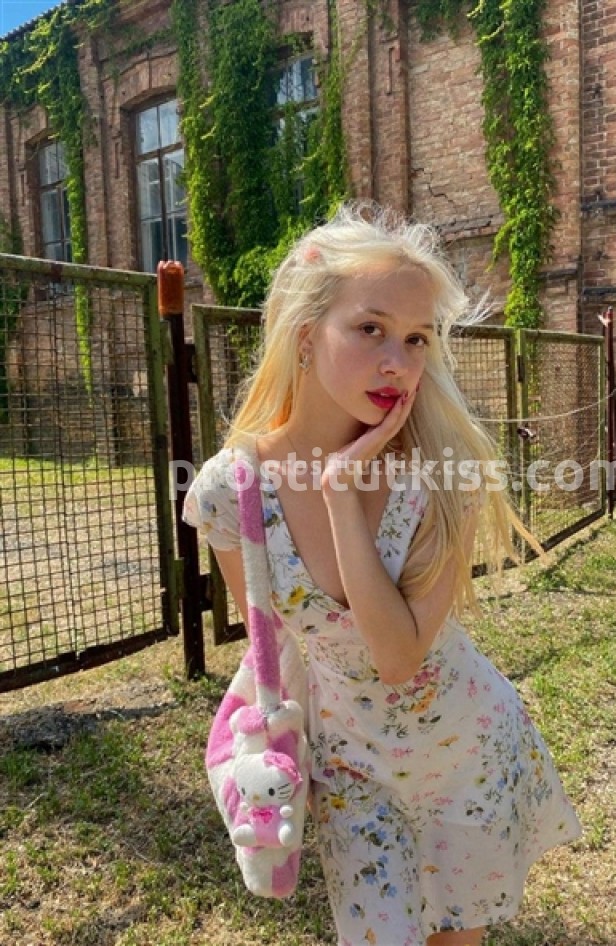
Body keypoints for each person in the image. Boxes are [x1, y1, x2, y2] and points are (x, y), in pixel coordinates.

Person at [183, 204, 581, 946]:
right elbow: (279, 643)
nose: (397, 361)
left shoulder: (443, 475)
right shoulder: (228, 493)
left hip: (465, 757)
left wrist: (340, 492)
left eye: (416, 338)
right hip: (351, 776)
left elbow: (399, 657)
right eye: (370, 328)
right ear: (306, 334)